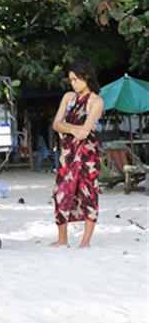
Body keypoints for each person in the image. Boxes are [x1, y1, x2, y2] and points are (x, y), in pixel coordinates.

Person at [51, 61, 104, 248]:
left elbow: (84, 133)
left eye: (75, 79)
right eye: (70, 79)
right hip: (67, 154)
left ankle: (85, 242)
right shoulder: (68, 97)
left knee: (88, 194)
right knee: (61, 193)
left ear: (86, 77)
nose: (72, 83)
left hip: (87, 156)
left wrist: (68, 128)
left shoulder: (96, 102)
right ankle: (62, 239)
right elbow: (56, 124)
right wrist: (74, 129)